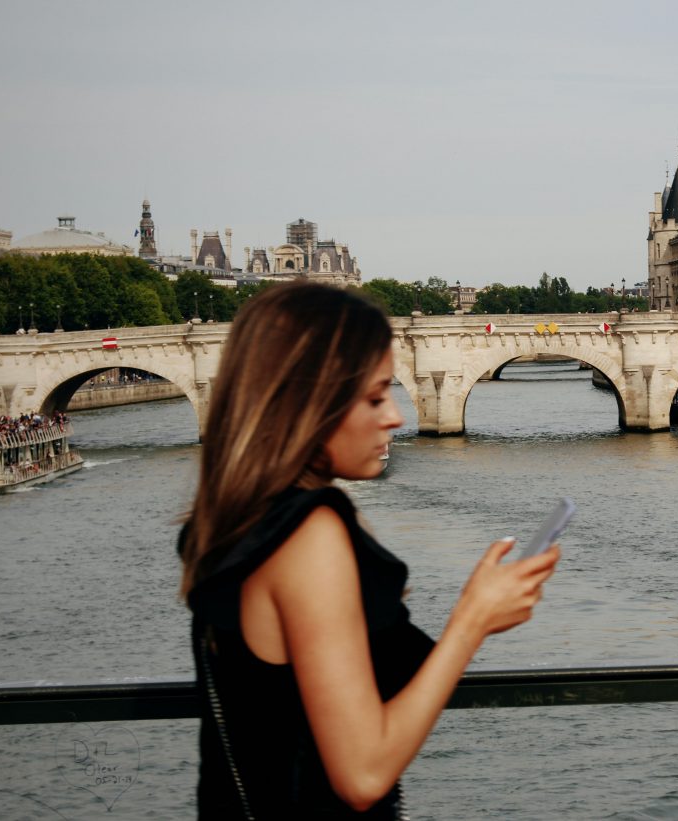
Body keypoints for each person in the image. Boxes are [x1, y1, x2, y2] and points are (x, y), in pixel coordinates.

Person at [178, 282, 560, 819]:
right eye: (377, 396)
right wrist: (471, 622)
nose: (397, 417)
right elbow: (362, 773)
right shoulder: (309, 533)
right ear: (312, 399)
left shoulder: (238, 522)